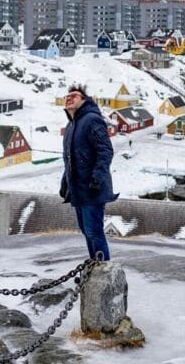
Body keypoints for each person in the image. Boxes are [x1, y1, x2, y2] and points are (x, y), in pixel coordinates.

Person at [59, 84, 117, 260]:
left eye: (75, 95)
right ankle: (95, 265)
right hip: (78, 189)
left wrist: (97, 178)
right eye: (68, 95)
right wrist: (65, 183)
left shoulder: (92, 119)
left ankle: (104, 269)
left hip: (92, 188)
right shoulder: (71, 127)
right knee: (86, 231)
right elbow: (70, 159)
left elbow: (105, 150)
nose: (70, 97)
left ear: (84, 100)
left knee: (94, 231)